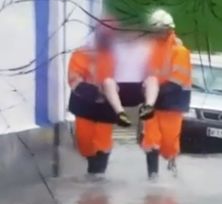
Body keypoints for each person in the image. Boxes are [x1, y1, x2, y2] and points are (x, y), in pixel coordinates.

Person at [68, 19, 131, 180]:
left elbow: (125, 77)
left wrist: (115, 91)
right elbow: (74, 79)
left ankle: (98, 175)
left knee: (102, 141)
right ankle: (93, 167)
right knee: (85, 141)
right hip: (85, 103)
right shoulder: (81, 53)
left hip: (106, 106)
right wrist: (94, 92)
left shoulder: (117, 56)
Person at [141, 9, 192, 180]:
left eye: (160, 30)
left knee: (169, 144)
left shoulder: (180, 51)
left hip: (173, 103)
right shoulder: (151, 48)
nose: (157, 34)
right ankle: (152, 178)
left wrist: (154, 93)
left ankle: (172, 167)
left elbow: (177, 82)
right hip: (154, 103)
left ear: (168, 29)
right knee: (151, 140)